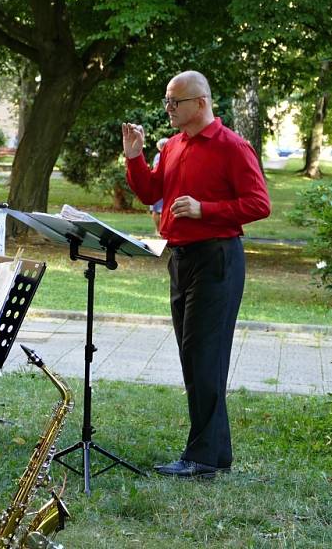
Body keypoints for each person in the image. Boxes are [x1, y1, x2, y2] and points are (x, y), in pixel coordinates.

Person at [121, 71, 271, 478]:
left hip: (217, 259)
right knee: (194, 356)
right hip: (181, 258)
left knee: (205, 356)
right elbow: (151, 193)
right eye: (167, 102)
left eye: (175, 102)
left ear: (200, 103)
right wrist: (134, 156)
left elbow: (259, 204)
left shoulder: (232, 147)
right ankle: (214, 454)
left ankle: (203, 457)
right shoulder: (172, 146)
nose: (168, 109)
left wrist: (207, 210)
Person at [149, 138, 169, 235]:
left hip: (167, 187)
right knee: (156, 210)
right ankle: (158, 230)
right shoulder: (158, 156)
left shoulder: (169, 154)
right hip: (159, 186)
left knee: (165, 210)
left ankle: (163, 231)